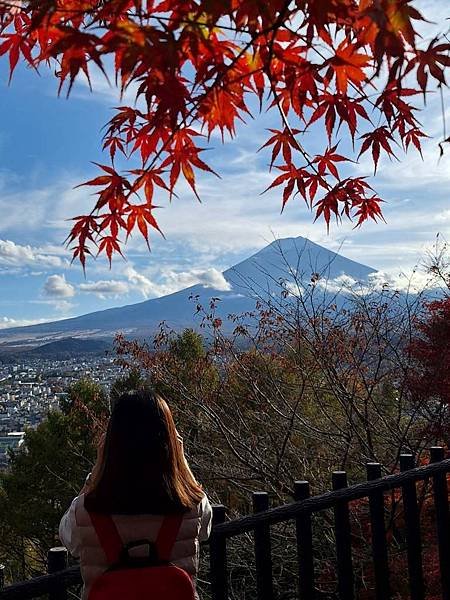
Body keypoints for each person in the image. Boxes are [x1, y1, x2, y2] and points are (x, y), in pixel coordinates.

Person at [59, 389, 212, 599]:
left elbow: (70, 542)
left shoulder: (85, 511)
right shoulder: (193, 506)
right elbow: (205, 531)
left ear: (111, 444)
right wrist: (181, 462)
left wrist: (97, 471)